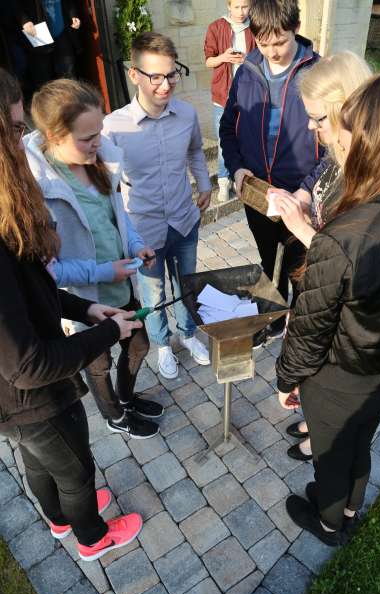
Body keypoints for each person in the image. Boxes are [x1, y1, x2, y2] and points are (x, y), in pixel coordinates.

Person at [276, 58, 380, 546]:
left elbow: (309, 328)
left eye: (342, 133)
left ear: (371, 141)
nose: (334, 141)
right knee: (363, 441)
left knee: (333, 454)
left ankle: (329, 522)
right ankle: (353, 507)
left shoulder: (343, 237)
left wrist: (287, 379)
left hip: (341, 378)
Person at [0, 68, 143, 562]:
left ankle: (60, 518)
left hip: (19, 406)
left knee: (39, 462)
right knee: (76, 469)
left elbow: (34, 289)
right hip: (31, 398)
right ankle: (91, 536)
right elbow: (28, 365)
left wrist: (83, 306)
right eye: (17, 132)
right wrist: (104, 331)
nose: (25, 145)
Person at [25, 78, 163, 440]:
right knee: (98, 364)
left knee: (139, 345)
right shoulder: (40, 191)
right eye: (87, 138)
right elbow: (48, 271)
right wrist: (104, 271)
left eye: (99, 132)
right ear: (54, 136)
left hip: (121, 287)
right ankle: (113, 414)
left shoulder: (99, 162)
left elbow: (118, 217)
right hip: (86, 301)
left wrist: (135, 246)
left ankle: (127, 399)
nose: (98, 143)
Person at [268, 51, 372, 462]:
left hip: (344, 308)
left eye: (319, 119)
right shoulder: (343, 150)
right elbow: (320, 173)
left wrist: (302, 228)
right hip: (320, 290)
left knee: (328, 378)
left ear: (346, 108)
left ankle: (322, 438)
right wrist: (300, 196)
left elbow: (355, 263)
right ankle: (314, 419)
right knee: (314, 371)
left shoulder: (371, 172)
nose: (311, 128)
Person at [103, 32, 212, 380]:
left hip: (184, 218)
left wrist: (204, 182)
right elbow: (106, 187)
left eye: (172, 74)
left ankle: (189, 333)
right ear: (134, 74)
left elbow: (196, 150)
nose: (165, 85)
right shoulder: (114, 127)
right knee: (153, 292)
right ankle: (163, 344)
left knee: (187, 284)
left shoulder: (186, 114)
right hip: (144, 230)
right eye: (155, 76)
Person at [220, 0, 321, 345]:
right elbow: (227, 129)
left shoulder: (317, 73)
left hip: (299, 194)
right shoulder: (247, 70)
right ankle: (274, 320)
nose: (272, 52)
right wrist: (236, 169)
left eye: (280, 42)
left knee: (301, 270)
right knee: (269, 260)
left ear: (295, 28)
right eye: (264, 44)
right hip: (258, 192)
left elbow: (335, 150)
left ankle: (303, 332)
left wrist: (307, 191)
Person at [204, 0, 256, 202]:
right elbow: (209, 61)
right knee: (223, 140)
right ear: (228, 6)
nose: (242, 12)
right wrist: (224, 57)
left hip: (249, 95)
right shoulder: (216, 27)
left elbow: (263, 58)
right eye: (237, 7)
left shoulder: (255, 26)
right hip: (223, 95)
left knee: (245, 139)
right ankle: (224, 182)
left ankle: (239, 178)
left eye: (245, 7)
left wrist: (247, 60)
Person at [16, 0, 81, 90]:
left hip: (62, 33)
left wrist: (73, 15)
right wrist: (24, 20)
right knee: (43, 77)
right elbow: (15, 5)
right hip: (39, 34)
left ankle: (71, 101)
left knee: (68, 72)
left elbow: (68, 2)